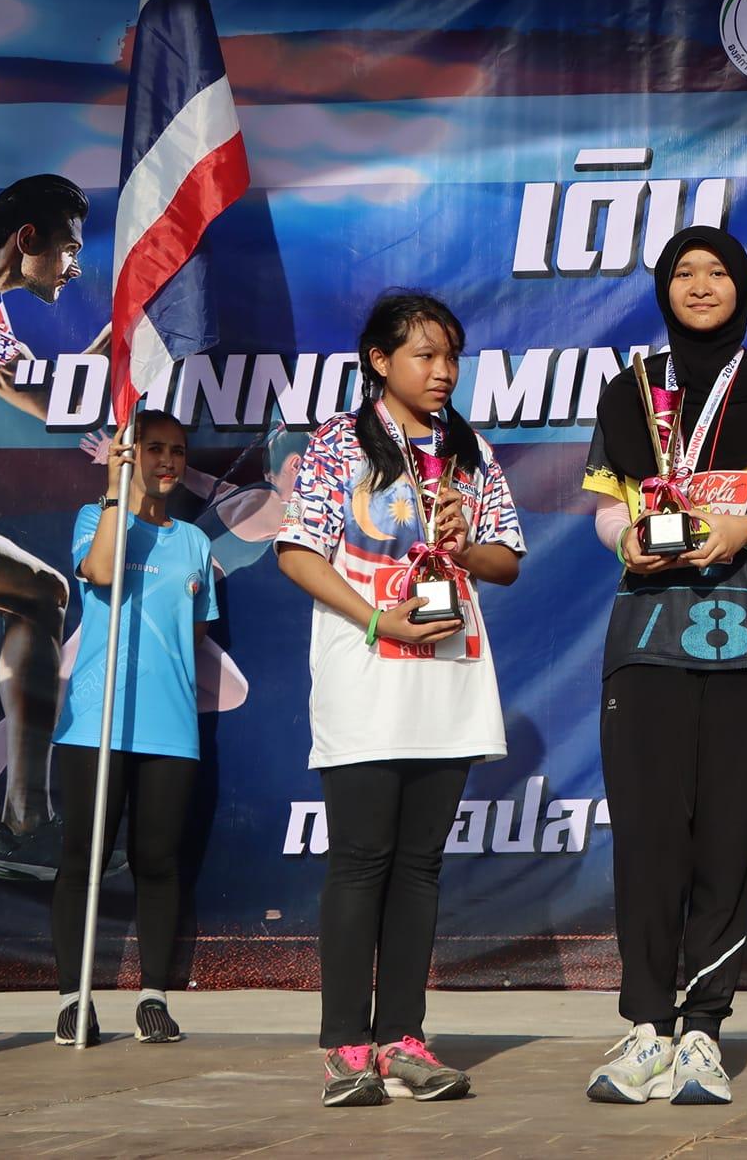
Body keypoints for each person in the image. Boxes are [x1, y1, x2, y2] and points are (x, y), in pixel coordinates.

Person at [582, 226, 747, 1108]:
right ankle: (647, 1026)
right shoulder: (629, 391)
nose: (698, 285)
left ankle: (703, 1033)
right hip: (648, 633)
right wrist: (627, 543)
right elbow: (605, 508)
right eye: (682, 272)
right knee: (649, 836)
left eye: (716, 271)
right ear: (662, 289)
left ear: (743, 287)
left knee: (725, 835)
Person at [276, 292, 525, 1107]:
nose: (443, 370)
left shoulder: (469, 450)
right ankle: (345, 1046)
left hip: (448, 674)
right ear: (379, 361)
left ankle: (403, 1040)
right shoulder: (338, 443)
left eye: (451, 355)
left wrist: (465, 544)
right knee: (360, 860)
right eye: (424, 354)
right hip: (366, 672)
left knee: (420, 865)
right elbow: (297, 552)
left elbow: (506, 560)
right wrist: (377, 616)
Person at [49, 411, 215, 1047]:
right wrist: (115, 492)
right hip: (94, 725)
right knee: (82, 859)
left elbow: (192, 636)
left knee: (158, 862)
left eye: (177, 451)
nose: (167, 461)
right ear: (131, 455)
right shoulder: (95, 518)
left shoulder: (194, 543)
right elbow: (99, 573)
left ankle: (154, 997)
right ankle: (74, 1000)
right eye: (154, 449)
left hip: (170, 729)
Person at [0, 174, 108, 882]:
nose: (75, 265)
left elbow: (62, 399)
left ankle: (25, 828)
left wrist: (132, 323)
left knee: (39, 594)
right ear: (27, 239)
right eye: (70, 249)